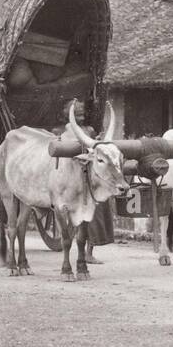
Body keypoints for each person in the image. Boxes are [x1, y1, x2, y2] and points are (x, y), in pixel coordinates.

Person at [62, 99, 115, 263]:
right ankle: (80, 253)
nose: (81, 113)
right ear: (68, 113)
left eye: (82, 110)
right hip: (74, 177)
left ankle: (89, 252)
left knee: (98, 211)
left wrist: (99, 140)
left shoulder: (90, 130)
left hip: (92, 176)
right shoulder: (65, 131)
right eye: (76, 111)